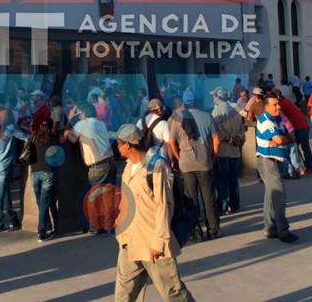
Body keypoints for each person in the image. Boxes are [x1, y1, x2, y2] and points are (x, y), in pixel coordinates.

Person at [114, 124, 194, 302]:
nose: (116, 147)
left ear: (128, 145)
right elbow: (126, 199)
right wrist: (120, 220)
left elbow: (164, 206)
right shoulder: (127, 167)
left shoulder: (156, 167)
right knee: (123, 297)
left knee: (173, 294)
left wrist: (158, 243)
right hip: (129, 242)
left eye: (118, 143)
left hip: (153, 243)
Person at [168, 91, 220, 240]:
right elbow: (217, 140)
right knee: (208, 198)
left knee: (191, 200)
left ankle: (196, 232)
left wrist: (179, 157)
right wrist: (213, 157)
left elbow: (171, 141)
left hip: (186, 164)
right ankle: (213, 230)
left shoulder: (177, 119)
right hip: (205, 163)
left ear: (183, 104)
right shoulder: (207, 116)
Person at [65, 103, 116, 234]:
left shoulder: (82, 124)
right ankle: (109, 226)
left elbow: (71, 138)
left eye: (80, 114)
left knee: (94, 198)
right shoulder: (100, 123)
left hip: (97, 166)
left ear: (84, 114)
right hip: (110, 162)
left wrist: (69, 120)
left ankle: (95, 227)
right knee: (108, 197)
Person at [255, 94, 299, 243]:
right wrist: (284, 139)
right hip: (268, 161)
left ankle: (270, 228)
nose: (278, 107)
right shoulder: (265, 121)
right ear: (266, 106)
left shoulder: (277, 118)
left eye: (278, 104)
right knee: (279, 195)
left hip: (274, 160)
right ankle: (283, 231)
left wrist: (283, 139)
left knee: (271, 195)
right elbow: (281, 139)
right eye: (274, 105)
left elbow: (290, 135)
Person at [0, 108, 28, 233]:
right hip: (4, 166)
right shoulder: (10, 128)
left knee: (6, 194)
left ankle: (13, 220)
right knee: (1, 196)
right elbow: (26, 137)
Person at [212, 87, 245, 214]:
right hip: (235, 152)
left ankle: (223, 206)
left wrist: (229, 138)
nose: (213, 98)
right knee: (233, 180)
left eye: (214, 96)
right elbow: (242, 132)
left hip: (222, 152)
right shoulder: (235, 111)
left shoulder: (216, 112)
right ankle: (235, 204)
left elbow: (216, 133)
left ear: (218, 97)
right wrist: (236, 139)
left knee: (222, 180)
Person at [30, 117, 59, 242]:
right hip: (48, 172)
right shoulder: (54, 138)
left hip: (34, 172)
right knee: (44, 204)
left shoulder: (34, 136)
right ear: (51, 127)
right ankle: (41, 232)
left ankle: (47, 227)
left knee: (40, 203)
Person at [277, 90, 312, 176]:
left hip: (300, 126)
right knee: (300, 148)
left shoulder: (281, 104)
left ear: (278, 96)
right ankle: (305, 167)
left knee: (302, 148)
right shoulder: (285, 100)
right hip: (300, 125)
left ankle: (306, 167)